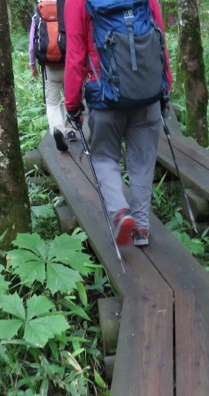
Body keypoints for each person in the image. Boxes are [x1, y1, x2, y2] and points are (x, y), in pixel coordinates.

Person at [63, 0, 173, 247]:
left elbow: (75, 55)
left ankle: (120, 212)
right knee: (143, 160)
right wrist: (166, 85)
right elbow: (159, 38)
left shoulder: (76, 2)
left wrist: (71, 102)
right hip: (147, 93)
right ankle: (142, 228)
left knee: (104, 157)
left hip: (105, 98)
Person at [29, 3, 76, 152]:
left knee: (52, 102)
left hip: (50, 67)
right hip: (68, 63)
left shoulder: (38, 14)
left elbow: (32, 43)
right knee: (70, 96)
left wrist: (32, 65)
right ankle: (70, 130)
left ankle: (57, 129)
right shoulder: (66, 9)